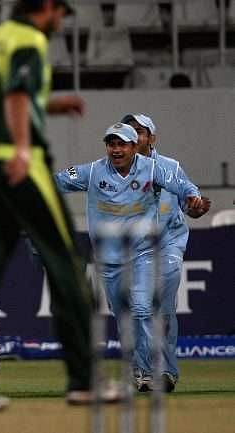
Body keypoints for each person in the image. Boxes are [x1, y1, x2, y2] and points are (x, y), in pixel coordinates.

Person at [0, 0, 113, 412]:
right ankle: (85, 379)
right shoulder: (29, 39)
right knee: (67, 264)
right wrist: (19, 147)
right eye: (60, 12)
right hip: (20, 164)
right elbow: (15, 92)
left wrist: (51, 104)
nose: (61, 21)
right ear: (46, 7)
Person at [54, 122, 206, 393]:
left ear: (135, 146)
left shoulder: (152, 169)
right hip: (108, 259)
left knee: (142, 308)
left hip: (144, 253)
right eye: (112, 144)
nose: (116, 149)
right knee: (126, 316)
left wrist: (193, 197)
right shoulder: (93, 171)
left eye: (122, 144)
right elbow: (58, 180)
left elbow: (182, 185)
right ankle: (141, 369)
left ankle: (151, 371)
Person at [121, 113, 210, 392]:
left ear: (151, 138)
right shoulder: (116, 170)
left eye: (139, 131)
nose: (134, 136)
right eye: (128, 131)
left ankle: (166, 372)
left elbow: (189, 202)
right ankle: (144, 372)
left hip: (168, 244)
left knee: (162, 308)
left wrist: (196, 207)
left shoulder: (171, 167)